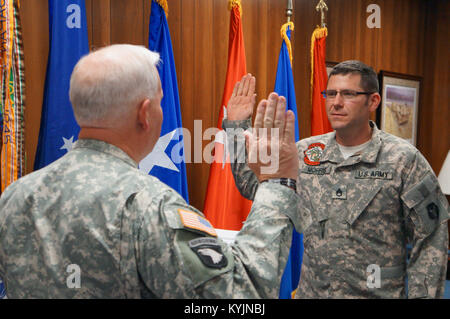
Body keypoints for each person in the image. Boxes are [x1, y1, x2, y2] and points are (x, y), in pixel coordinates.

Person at [0, 44, 311, 298]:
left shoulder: (15, 195)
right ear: (145, 113)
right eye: (161, 102)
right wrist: (278, 182)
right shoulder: (147, 205)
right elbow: (240, 299)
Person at [224, 61, 449, 298]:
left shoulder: (403, 160)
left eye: (348, 94)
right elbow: (255, 184)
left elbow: (430, 240)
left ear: (373, 101)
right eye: (331, 94)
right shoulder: (304, 154)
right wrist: (237, 126)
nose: (336, 103)